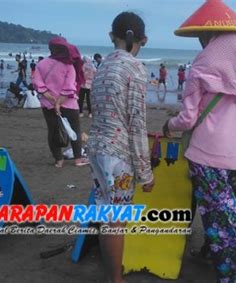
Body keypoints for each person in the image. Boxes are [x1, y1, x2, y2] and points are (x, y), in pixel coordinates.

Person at [163, 1, 236, 281]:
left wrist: (168, 125)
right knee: (226, 211)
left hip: (206, 156)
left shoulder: (200, 69)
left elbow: (187, 120)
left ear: (209, 39)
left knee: (223, 223)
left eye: (203, 38)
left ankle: (233, 276)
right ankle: (211, 254)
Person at [86, 12, 153, 283]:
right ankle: (115, 279)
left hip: (98, 149)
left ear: (111, 37)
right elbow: (136, 124)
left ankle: (112, 274)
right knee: (116, 220)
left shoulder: (102, 66)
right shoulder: (135, 68)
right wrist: (146, 172)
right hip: (118, 155)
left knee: (106, 215)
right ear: (143, 40)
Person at [32, 36, 89, 168]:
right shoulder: (68, 66)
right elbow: (70, 87)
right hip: (68, 103)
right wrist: (59, 102)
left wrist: (52, 100)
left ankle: (59, 160)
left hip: (47, 104)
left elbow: (37, 84)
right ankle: (78, 160)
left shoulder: (41, 64)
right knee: (75, 130)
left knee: (52, 130)